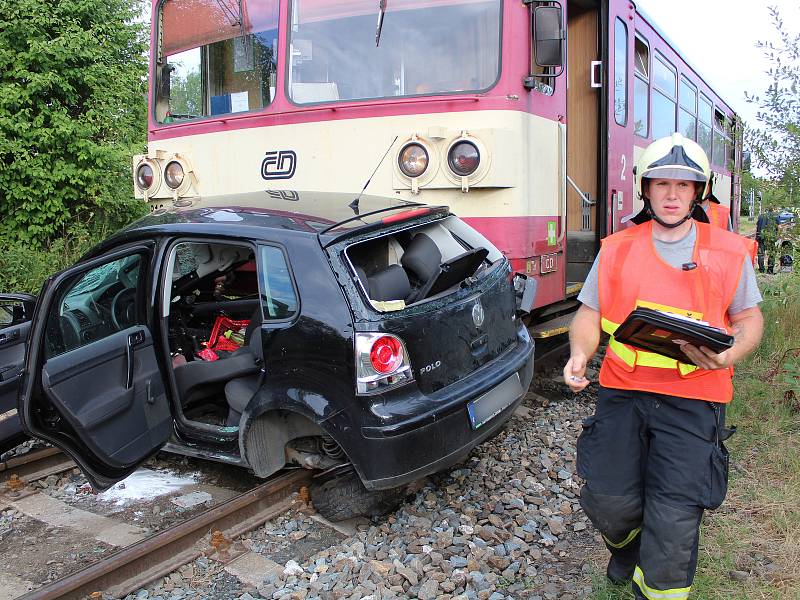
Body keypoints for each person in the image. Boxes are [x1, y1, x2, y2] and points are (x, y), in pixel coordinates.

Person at [564, 133, 764, 600]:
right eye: (661, 184)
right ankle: (627, 547)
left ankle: (656, 591)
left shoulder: (729, 252)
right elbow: (589, 313)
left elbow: (750, 319)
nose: (672, 195)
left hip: (696, 397)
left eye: (684, 185)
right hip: (623, 391)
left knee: (673, 514)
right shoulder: (617, 247)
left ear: (699, 192)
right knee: (608, 501)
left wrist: (729, 354)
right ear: (645, 188)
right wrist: (579, 353)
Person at [756, 208, 778, 273]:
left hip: (761, 237)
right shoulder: (775, 216)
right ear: (773, 210)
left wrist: (757, 236)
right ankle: (770, 270)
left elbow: (757, 227)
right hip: (771, 238)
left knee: (761, 254)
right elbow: (778, 227)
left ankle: (761, 270)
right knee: (771, 253)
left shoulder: (760, 216)